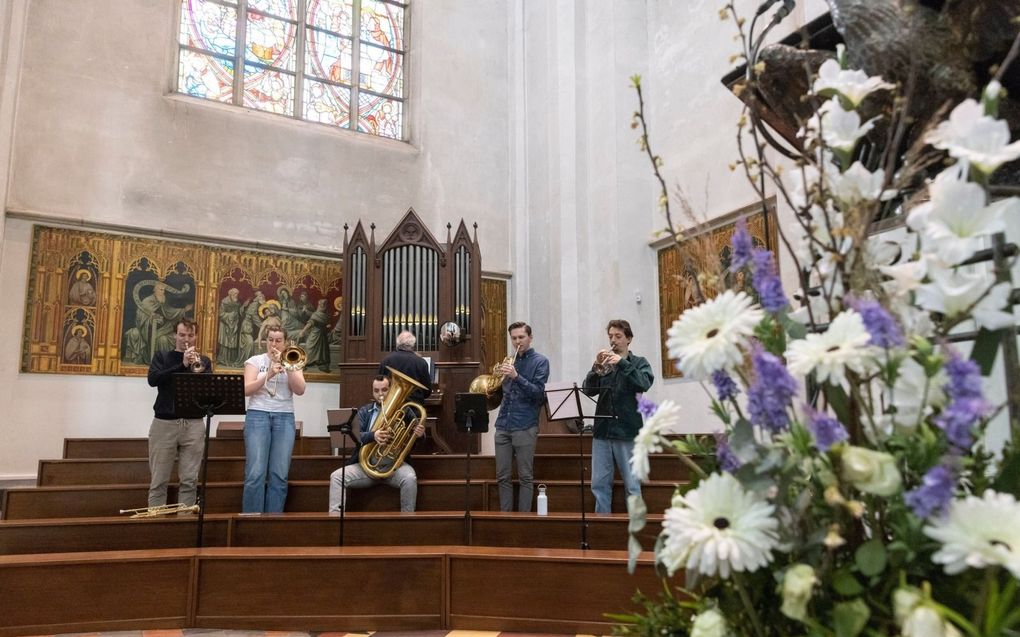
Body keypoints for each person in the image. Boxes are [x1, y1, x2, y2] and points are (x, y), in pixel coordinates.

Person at [583, 319, 654, 514]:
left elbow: (644, 384)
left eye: (618, 336)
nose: (613, 340)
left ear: (629, 339)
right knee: (599, 484)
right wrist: (595, 367)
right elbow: (588, 390)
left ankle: (636, 527)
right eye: (611, 336)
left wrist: (622, 363)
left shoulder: (639, 363)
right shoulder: (605, 364)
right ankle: (602, 528)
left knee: (632, 484)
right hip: (602, 431)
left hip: (627, 430)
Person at [327, 375, 425, 513]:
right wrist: (373, 435)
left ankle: (406, 521)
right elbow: (354, 436)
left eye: (384, 390)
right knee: (336, 477)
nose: (380, 394)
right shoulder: (364, 412)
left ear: (390, 390)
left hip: (394, 467)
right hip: (366, 467)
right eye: (376, 391)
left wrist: (420, 435)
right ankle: (334, 521)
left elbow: (416, 438)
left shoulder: (405, 410)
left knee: (410, 478)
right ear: (372, 392)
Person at [146, 318, 212, 508]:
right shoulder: (162, 356)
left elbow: (208, 390)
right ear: (175, 335)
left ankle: (184, 526)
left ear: (196, 336)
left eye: (190, 335)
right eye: (182, 335)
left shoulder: (203, 361)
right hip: (164, 423)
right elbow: (153, 380)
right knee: (159, 481)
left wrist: (197, 368)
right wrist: (182, 365)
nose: (186, 339)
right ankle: (155, 526)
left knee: (190, 482)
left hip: (193, 424)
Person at [241, 325, 306, 513]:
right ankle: (251, 520)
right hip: (257, 415)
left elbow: (300, 390)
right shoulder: (255, 361)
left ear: (285, 342)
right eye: (270, 339)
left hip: (284, 417)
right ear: (265, 341)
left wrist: (288, 367)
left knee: (279, 474)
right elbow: (246, 390)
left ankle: (272, 520)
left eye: (278, 340)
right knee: (255, 473)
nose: (274, 344)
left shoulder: (293, 359)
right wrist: (268, 374)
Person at [492, 322, 550, 512]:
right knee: (502, 476)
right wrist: (497, 381)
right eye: (514, 338)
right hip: (503, 424)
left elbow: (539, 395)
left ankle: (522, 519)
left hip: (525, 425)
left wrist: (516, 376)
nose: (517, 342)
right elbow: (502, 394)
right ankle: (505, 516)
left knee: (525, 476)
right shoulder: (509, 361)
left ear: (530, 338)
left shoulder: (540, 362)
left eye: (521, 337)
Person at [378, 330, 432, 403]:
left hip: (391, 404)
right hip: (414, 407)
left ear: (397, 344)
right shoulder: (421, 362)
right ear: (413, 345)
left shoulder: (386, 360)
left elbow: (379, 384)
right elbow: (427, 391)